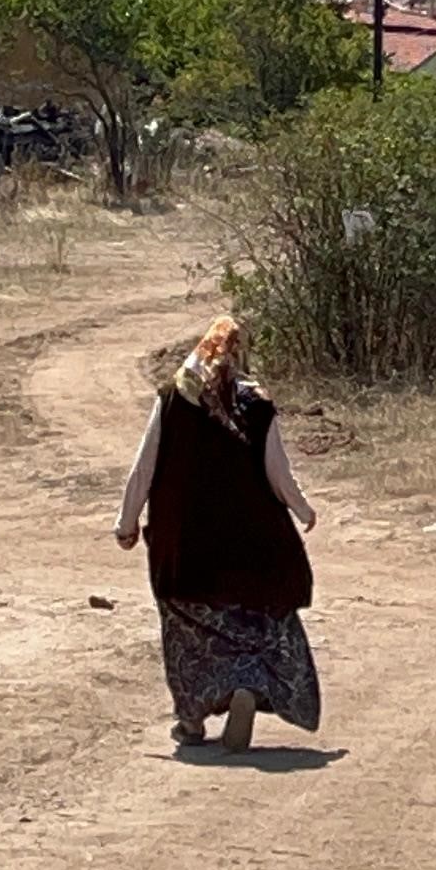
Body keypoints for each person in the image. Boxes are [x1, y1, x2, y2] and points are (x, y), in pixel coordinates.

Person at [114, 316, 321, 752]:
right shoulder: (255, 402)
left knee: (188, 633)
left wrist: (127, 521)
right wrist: (302, 507)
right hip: (252, 546)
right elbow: (277, 471)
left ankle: (191, 721)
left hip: (184, 548)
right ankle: (247, 686)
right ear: (240, 356)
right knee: (254, 621)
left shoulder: (173, 397)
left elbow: (145, 465)